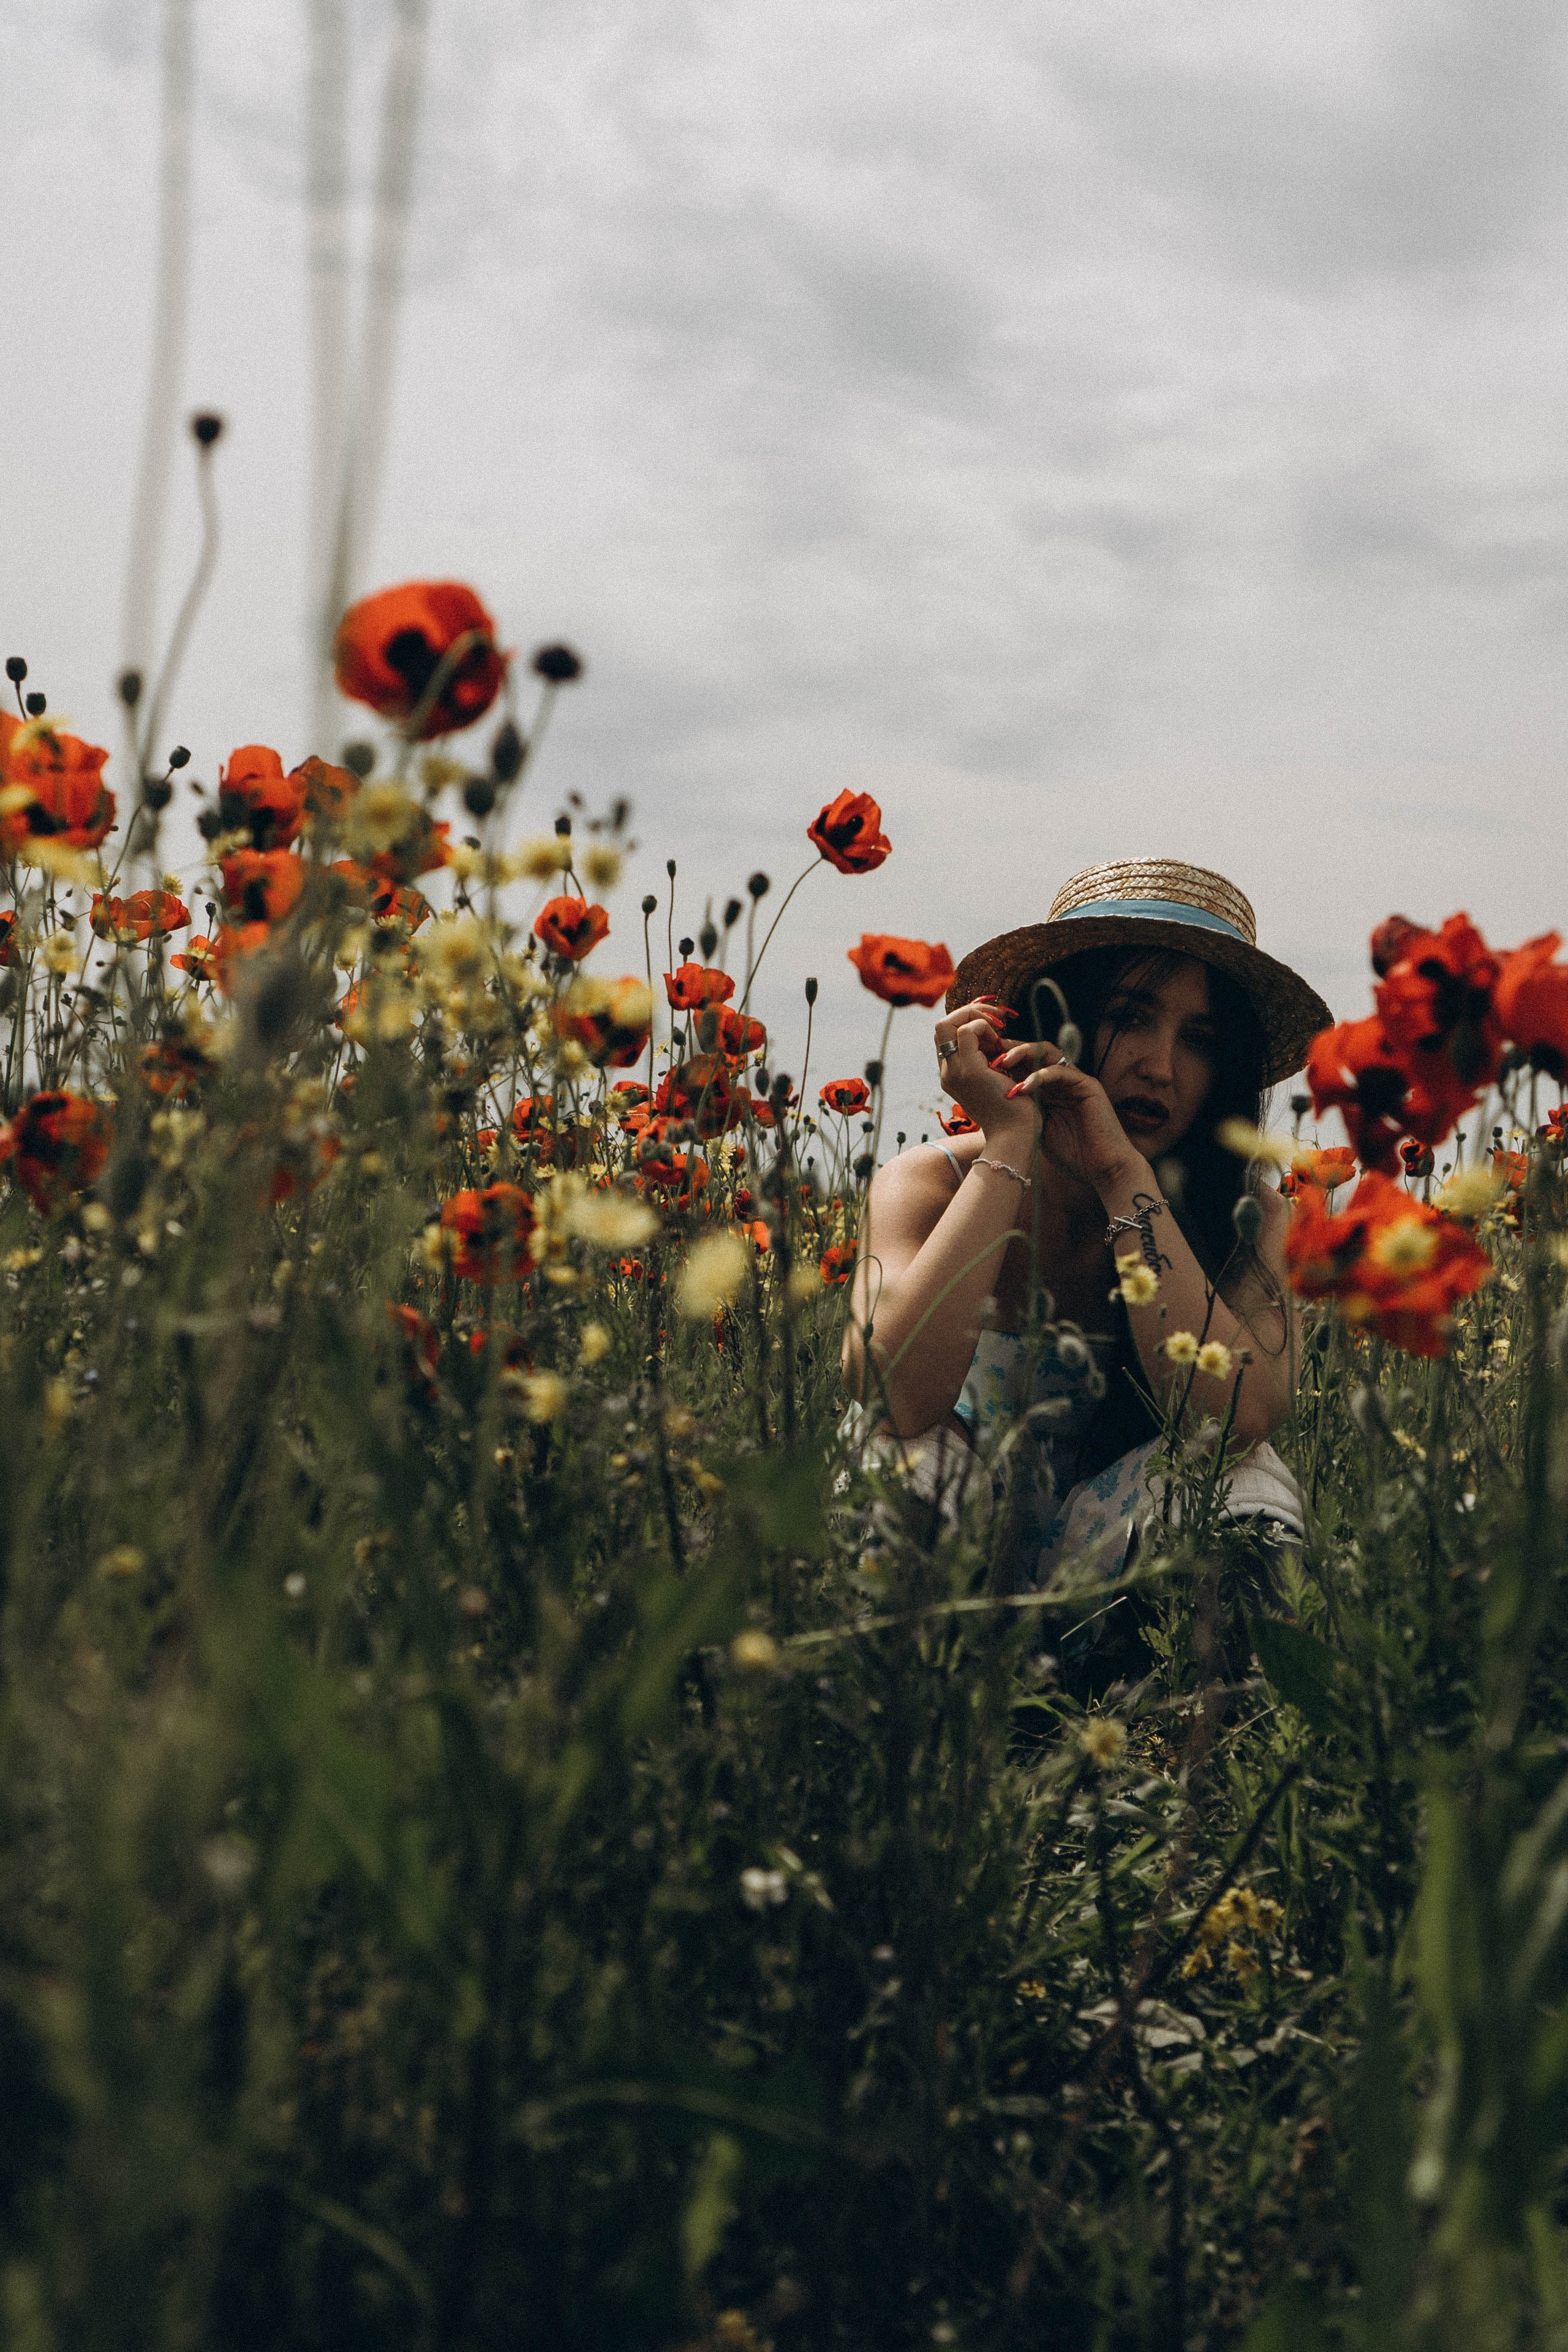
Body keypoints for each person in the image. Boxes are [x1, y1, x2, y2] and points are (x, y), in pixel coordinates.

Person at [842, 859, 1333, 1615]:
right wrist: (1008, 1142)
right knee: (898, 1463)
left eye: (1198, 1038)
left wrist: (1118, 1173)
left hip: (1119, 1595)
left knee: (1244, 1484)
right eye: (1130, 1016)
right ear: (1057, 1020)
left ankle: (1194, 1726)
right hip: (946, 1595)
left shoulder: (1253, 1219)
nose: (1160, 1066)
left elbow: (1237, 1421)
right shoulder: (929, 1185)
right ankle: (889, 1723)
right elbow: (894, 1397)